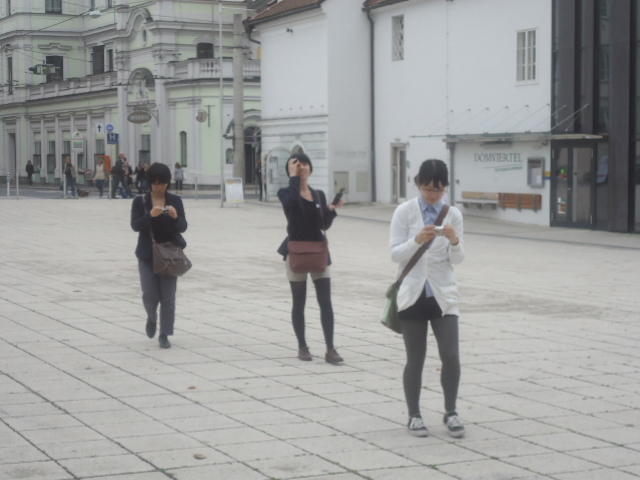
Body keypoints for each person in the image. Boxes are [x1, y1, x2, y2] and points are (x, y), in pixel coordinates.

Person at [389, 158, 465, 438]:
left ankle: (451, 411)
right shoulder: (405, 211)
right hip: (413, 293)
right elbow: (394, 254)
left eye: (439, 189)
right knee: (415, 358)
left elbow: (458, 259)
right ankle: (414, 415)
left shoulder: (453, 214)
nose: (433, 195)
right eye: (428, 188)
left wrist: (454, 241)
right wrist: (416, 241)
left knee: (451, 355)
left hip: (443, 294)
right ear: (418, 184)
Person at [277, 152, 344, 364]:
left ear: (311, 168)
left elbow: (323, 224)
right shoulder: (285, 193)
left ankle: (330, 348)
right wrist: (293, 179)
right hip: (296, 252)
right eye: (296, 164)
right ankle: (302, 346)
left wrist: (331, 210)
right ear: (290, 170)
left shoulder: (318, 194)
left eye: (305, 163)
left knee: (326, 301)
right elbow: (292, 206)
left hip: (318, 252)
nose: (301, 167)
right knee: (299, 301)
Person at [130, 162, 188, 349]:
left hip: (169, 255)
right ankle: (151, 317)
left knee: (168, 297)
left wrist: (175, 217)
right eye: (154, 183)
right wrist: (150, 216)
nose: (158, 187)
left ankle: (165, 334)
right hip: (147, 254)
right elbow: (135, 226)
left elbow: (183, 227)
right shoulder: (140, 202)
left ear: (167, 183)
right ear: (149, 183)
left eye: (162, 183)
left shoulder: (175, 201)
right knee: (149, 294)